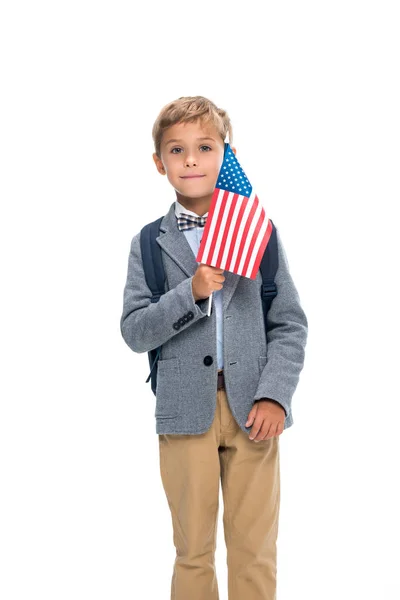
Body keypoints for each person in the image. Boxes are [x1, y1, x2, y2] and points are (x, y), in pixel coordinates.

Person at [120, 95, 308, 600]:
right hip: (183, 412)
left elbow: (289, 323)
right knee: (192, 550)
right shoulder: (148, 243)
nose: (192, 160)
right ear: (160, 163)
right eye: (177, 150)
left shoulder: (258, 231)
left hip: (254, 411)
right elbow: (135, 330)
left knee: (254, 548)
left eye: (205, 147)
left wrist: (275, 395)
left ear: (226, 154)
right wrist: (192, 293)